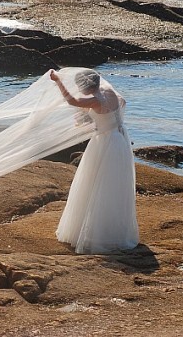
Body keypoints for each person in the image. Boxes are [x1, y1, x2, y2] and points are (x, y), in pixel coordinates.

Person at [50, 68, 140, 253]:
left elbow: (71, 101)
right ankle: (114, 232)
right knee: (113, 188)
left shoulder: (96, 99)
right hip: (119, 140)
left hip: (104, 142)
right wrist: (99, 119)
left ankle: (96, 234)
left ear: (84, 86)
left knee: (95, 185)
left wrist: (58, 81)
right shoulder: (110, 92)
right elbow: (122, 103)